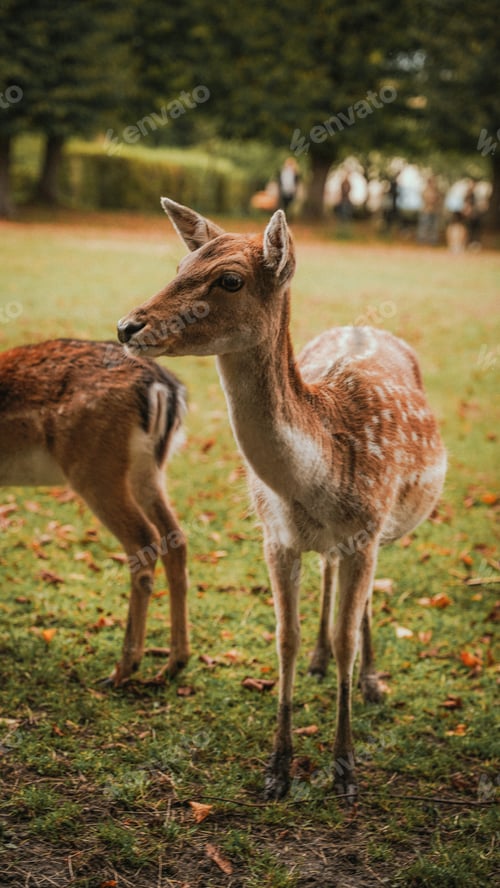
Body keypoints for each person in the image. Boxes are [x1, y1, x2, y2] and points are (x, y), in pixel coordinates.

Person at [417, 176, 442, 245]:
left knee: (433, 227)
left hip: (434, 211)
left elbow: (438, 200)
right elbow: (427, 200)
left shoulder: (436, 191)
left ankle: (432, 242)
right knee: (424, 227)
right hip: (426, 211)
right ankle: (422, 241)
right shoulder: (425, 190)